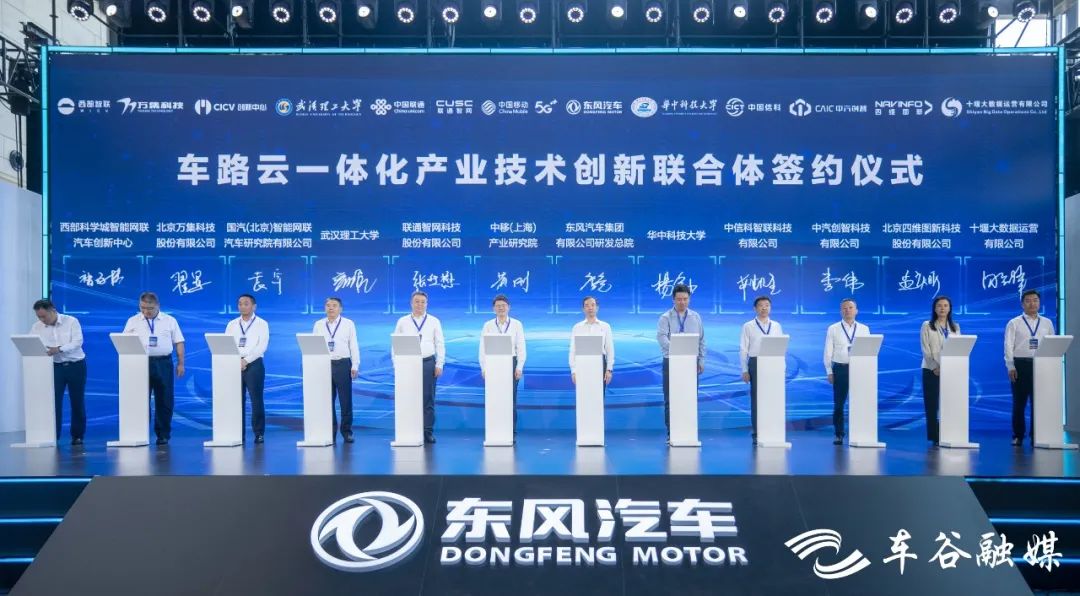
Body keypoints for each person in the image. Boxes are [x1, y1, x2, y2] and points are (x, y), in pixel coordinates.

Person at [123, 291, 185, 446]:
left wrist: (181, 363)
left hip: (163, 363)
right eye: (142, 308)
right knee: (139, 399)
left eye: (149, 308)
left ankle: (163, 435)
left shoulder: (169, 321)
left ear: (158, 306)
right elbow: (124, 342)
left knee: (164, 399)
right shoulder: (133, 321)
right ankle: (140, 433)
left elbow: (179, 342)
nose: (146, 312)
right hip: (140, 363)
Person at [30, 299, 87, 445]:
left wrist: (59, 349)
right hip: (54, 367)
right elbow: (32, 344)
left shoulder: (71, 321)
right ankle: (53, 435)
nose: (42, 320)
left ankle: (77, 435)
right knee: (53, 402)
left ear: (53, 311)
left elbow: (77, 342)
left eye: (44, 316)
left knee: (77, 401)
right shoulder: (36, 327)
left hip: (76, 365)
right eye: (39, 317)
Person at [394, 290, 445, 444]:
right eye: (417, 301)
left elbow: (440, 344)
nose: (420, 305)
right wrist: (396, 364)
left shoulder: (434, 321)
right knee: (408, 397)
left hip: (428, 362)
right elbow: (395, 344)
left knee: (428, 398)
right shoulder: (403, 321)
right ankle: (410, 430)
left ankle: (427, 431)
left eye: (423, 302)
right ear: (411, 303)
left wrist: (439, 363)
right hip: (407, 364)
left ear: (426, 304)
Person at [656, 283, 705, 443]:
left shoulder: (696, 317)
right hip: (671, 361)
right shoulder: (665, 317)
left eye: (685, 299)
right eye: (679, 299)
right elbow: (662, 337)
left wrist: (701, 359)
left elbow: (701, 340)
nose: (682, 302)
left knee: (689, 397)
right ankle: (671, 432)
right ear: (673, 299)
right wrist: (677, 349)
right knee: (670, 398)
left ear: (689, 299)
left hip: (691, 363)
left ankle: (689, 431)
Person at [1005, 289, 1054, 446]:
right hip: (1020, 365)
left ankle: (1036, 435)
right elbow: (1008, 346)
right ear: (1022, 304)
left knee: (1038, 402)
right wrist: (1010, 366)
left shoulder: (1047, 323)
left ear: (1039, 303)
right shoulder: (1014, 322)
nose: (1032, 303)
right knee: (1019, 403)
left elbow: (1052, 344)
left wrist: (1050, 366)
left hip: (1041, 365)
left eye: (1035, 300)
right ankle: (1018, 435)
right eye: (1028, 300)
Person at [312, 297, 359, 443]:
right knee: (326, 401)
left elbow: (353, 345)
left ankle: (346, 431)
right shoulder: (318, 324)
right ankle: (329, 432)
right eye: (328, 305)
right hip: (324, 365)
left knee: (345, 400)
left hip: (343, 364)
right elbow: (314, 347)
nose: (331, 308)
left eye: (334, 305)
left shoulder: (348, 324)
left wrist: (355, 365)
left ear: (340, 309)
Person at [824, 298, 870, 445]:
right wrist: (829, 371)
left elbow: (868, 350)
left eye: (850, 308)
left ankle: (861, 432)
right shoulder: (833, 328)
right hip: (840, 368)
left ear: (856, 311)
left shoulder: (864, 329)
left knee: (860, 402)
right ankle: (839, 434)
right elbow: (828, 352)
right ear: (840, 311)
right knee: (839, 403)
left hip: (859, 369)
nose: (847, 310)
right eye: (844, 308)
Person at [225, 294, 270, 444]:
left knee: (256, 400)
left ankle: (259, 433)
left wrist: (246, 360)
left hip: (254, 364)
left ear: (254, 306)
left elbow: (261, 346)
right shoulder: (232, 324)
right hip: (234, 364)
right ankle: (237, 433)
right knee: (236, 400)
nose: (242, 306)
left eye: (246, 303)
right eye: (240, 304)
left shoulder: (262, 324)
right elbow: (226, 344)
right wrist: (235, 360)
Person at [479, 294, 526, 433]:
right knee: (494, 398)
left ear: (509, 307)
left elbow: (521, 347)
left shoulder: (516, 324)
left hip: (511, 363)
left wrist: (519, 367)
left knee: (510, 398)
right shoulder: (488, 325)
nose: (501, 308)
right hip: (493, 364)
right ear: (493, 309)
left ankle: (511, 431)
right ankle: (495, 430)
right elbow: (482, 348)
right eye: (498, 306)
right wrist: (484, 368)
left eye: (503, 306)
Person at [740, 295, 783, 445]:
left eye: (767, 305)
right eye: (761, 305)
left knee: (773, 398)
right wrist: (745, 369)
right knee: (757, 399)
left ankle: (773, 431)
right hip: (756, 362)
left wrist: (782, 367)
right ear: (755, 308)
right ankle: (757, 433)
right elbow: (743, 349)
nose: (764, 308)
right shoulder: (748, 326)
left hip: (773, 363)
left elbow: (780, 347)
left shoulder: (776, 326)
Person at [920, 295, 959, 447]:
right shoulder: (927, 325)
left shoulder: (955, 327)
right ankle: (934, 436)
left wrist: (951, 367)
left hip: (950, 371)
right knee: (932, 404)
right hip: (931, 370)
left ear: (950, 309)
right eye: (939, 306)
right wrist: (934, 366)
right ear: (935, 309)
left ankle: (948, 432)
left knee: (949, 403)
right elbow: (925, 348)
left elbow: (958, 348)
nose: (942, 308)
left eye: (945, 305)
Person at [569, 295, 614, 392]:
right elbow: (573, 351)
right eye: (587, 305)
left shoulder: (605, 326)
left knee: (598, 395)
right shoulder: (577, 327)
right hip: (582, 364)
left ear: (597, 308)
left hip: (600, 365)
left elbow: (609, 349)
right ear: (583, 309)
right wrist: (573, 371)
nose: (590, 308)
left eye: (593, 305)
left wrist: (609, 369)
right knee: (583, 395)